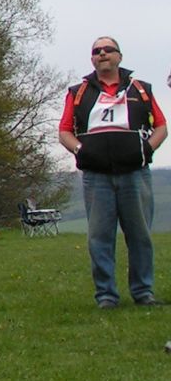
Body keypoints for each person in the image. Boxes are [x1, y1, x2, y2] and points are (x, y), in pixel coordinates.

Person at [59, 37, 167, 308]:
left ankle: (144, 292)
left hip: (134, 174)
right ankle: (106, 296)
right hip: (97, 177)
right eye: (96, 51)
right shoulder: (78, 92)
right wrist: (80, 152)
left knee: (140, 235)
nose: (102, 54)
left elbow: (162, 127)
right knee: (99, 237)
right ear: (92, 59)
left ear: (119, 56)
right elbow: (64, 132)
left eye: (108, 50)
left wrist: (146, 150)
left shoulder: (140, 89)